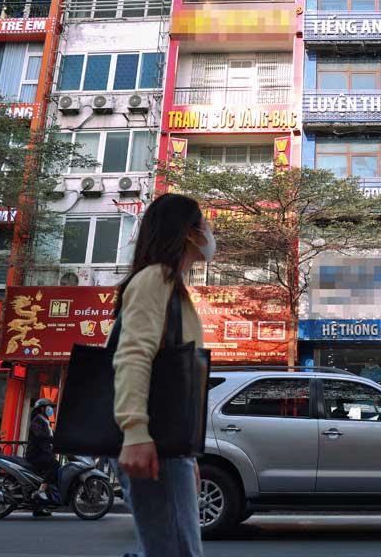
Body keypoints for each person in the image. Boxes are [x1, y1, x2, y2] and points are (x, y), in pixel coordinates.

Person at [112, 193, 214, 557]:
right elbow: (133, 355)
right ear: (189, 233)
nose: (210, 232)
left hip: (169, 447)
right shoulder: (155, 279)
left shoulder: (173, 287)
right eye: (205, 224)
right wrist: (136, 431)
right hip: (153, 441)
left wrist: (188, 457)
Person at [26, 398, 59, 518]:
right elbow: (40, 435)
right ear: (42, 408)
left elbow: (53, 435)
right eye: (49, 407)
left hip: (43, 454)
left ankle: (39, 508)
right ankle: (40, 491)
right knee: (54, 465)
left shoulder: (46, 421)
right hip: (35, 455)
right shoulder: (37, 420)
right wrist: (51, 439)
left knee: (52, 471)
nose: (51, 409)